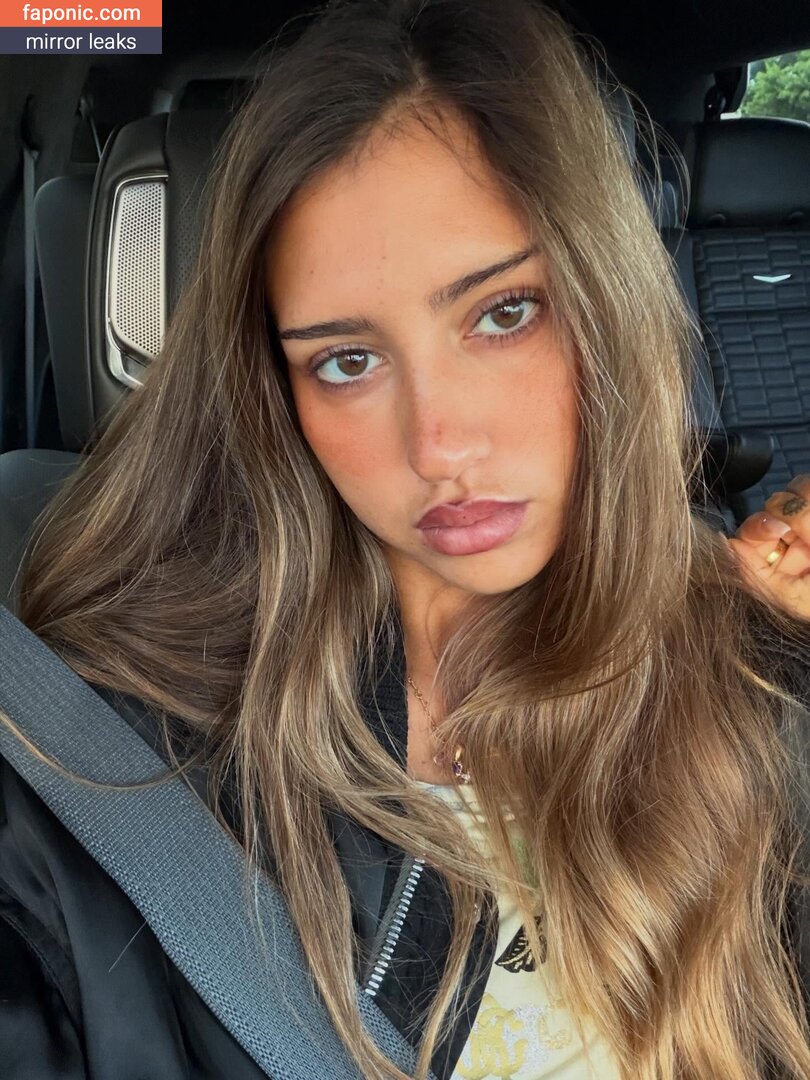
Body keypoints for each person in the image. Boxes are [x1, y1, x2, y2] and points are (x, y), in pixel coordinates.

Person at [1, 1, 809, 1077]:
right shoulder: (118, 753)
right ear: (275, 390)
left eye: (504, 313)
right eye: (346, 361)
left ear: (608, 301)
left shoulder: (758, 689)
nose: (440, 446)